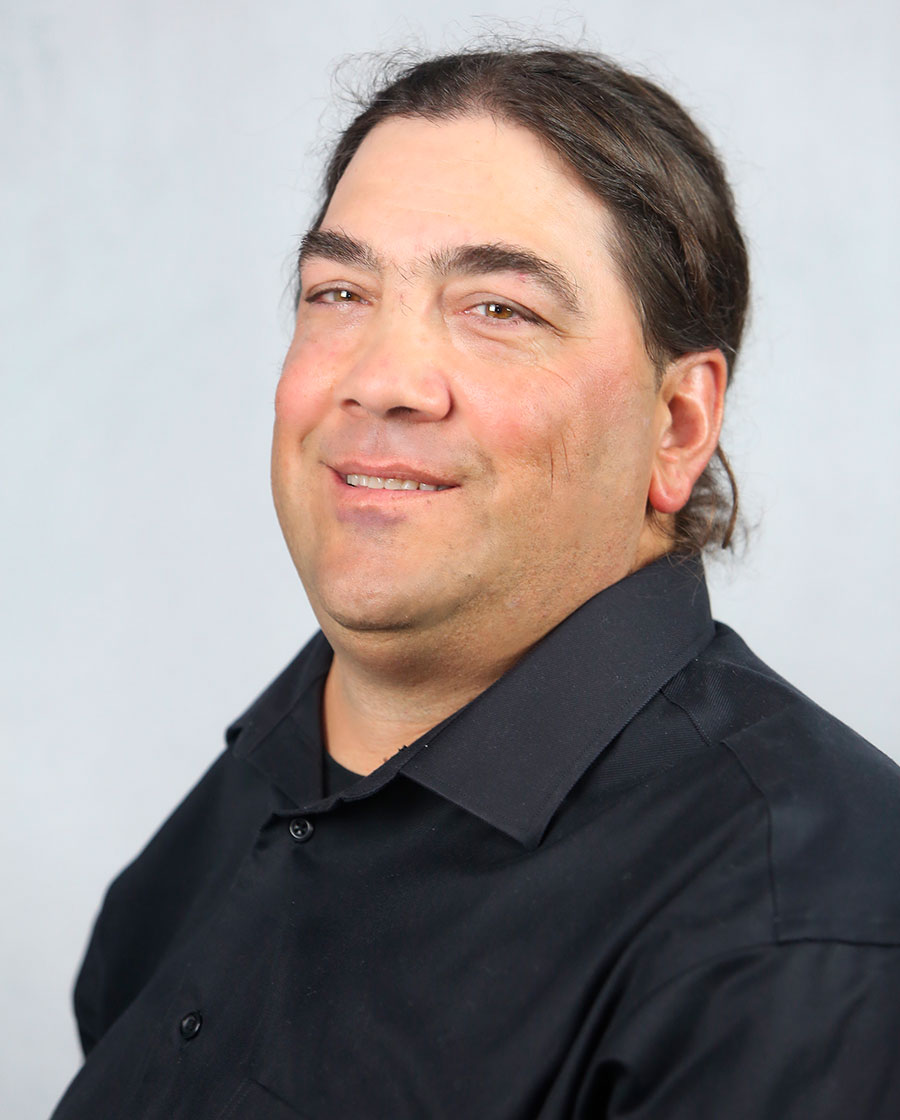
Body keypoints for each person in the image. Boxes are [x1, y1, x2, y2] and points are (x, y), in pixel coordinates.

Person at [52, 47, 900, 1119]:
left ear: (678, 424)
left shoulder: (805, 930)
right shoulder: (239, 805)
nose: (381, 378)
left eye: (499, 308)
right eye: (340, 291)